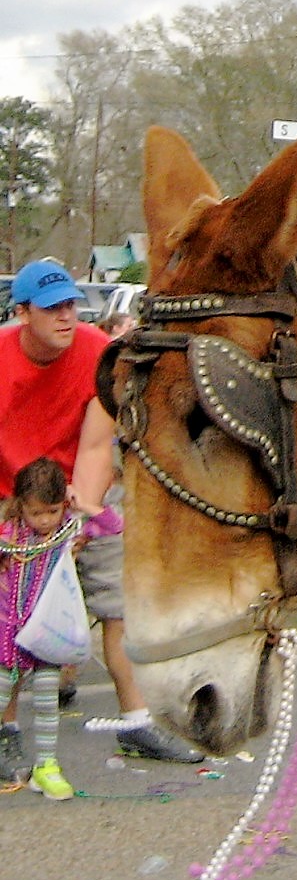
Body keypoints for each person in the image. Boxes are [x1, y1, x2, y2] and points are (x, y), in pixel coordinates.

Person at [0, 260, 201, 764]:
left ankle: (137, 722)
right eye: (51, 309)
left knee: (119, 605)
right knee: (11, 619)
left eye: (69, 304)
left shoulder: (96, 350)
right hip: (12, 498)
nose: (66, 316)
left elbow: (95, 445)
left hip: (80, 490)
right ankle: (6, 730)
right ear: (23, 313)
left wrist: (84, 515)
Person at [0, 458, 104, 795]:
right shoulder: (9, 533)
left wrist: (81, 504)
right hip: (8, 633)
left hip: (46, 632)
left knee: (47, 700)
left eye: (52, 511)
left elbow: (112, 523)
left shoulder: (68, 530)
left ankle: (46, 765)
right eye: (36, 513)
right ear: (20, 507)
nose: (45, 520)